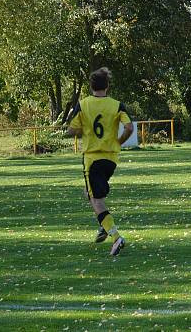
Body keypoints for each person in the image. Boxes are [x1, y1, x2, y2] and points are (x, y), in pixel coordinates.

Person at [66, 67, 134, 257]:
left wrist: (82, 130)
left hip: (93, 158)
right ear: (108, 86)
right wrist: (118, 141)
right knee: (89, 193)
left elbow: (72, 130)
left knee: (96, 200)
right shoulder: (117, 105)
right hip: (111, 159)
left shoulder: (84, 104)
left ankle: (116, 236)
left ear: (91, 86)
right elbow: (129, 127)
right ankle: (104, 225)